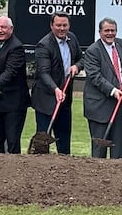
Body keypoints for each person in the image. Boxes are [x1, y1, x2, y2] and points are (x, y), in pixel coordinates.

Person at [83, 17, 122, 159]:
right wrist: (113, 91)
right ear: (100, 32)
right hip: (99, 106)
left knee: (119, 148)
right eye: (106, 30)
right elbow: (95, 76)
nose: (110, 33)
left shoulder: (121, 44)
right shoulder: (92, 51)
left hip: (120, 104)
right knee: (100, 149)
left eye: (113, 30)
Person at [31, 12, 83, 154]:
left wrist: (77, 66)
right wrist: (55, 89)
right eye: (58, 25)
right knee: (43, 139)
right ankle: (40, 168)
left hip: (65, 98)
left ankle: (63, 169)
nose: (61, 29)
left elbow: (81, 58)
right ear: (51, 26)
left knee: (64, 138)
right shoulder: (44, 45)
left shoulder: (72, 39)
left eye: (64, 25)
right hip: (46, 99)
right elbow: (43, 72)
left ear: (69, 25)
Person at [0, 16, 30, 154]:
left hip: (13, 102)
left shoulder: (16, 47)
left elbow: (10, 71)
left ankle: (12, 172)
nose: (0, 30)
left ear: (11, 29)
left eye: (3, 27)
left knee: (12, 141)